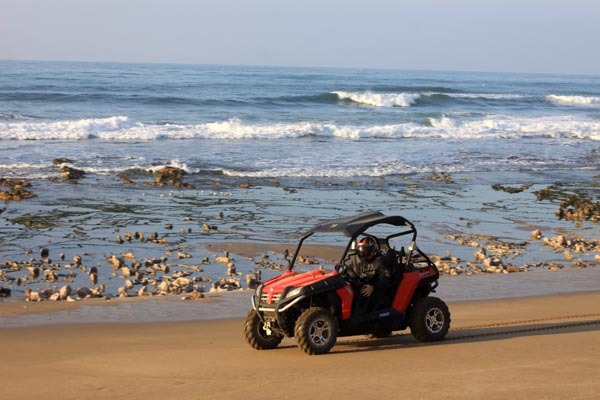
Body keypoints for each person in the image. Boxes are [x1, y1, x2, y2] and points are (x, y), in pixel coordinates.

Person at [343, 236, 391, 314]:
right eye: (361, 252)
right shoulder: (358, 260)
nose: (362, 254)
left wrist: (373, 287)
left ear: (372, 251)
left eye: (365, 252)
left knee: (364, 292)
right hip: (359, 282)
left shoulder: (379, 262)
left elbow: (386, 279)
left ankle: (358, 318)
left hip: (374, 289)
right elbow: (349, 270)